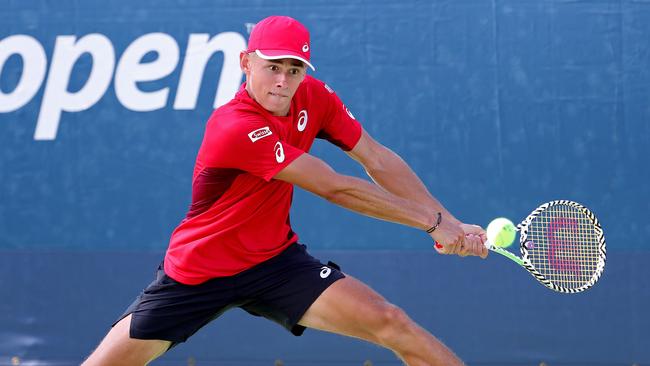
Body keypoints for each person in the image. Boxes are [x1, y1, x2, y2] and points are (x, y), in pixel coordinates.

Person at [83, 15, 488, 366]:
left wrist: (452, 223)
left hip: (274, 263)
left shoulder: (315, 97)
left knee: (393, 322)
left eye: (294, 70)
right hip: (197, 273)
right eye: (272, 67)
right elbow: (335, 188)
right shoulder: (233, 127)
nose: (282, 81)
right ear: (246, 63)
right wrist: (431, 223)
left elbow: (376, 158)